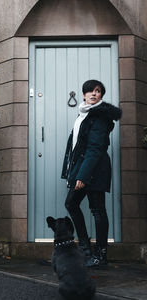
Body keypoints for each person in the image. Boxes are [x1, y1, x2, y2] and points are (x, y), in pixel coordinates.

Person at [61, 79, 122, 267]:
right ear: (84, 95)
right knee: (72, 204)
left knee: (97, 210)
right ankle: (86, 248)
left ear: (101, 95)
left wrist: (82, 176)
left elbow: (95, 148)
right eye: (90, 91)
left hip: (94, 169)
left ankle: (100, 256)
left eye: (98, 91)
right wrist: (71, 172)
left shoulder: (99, 117)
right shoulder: (83, 115)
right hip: (84, 168)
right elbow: (75, 147)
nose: (94, 94)